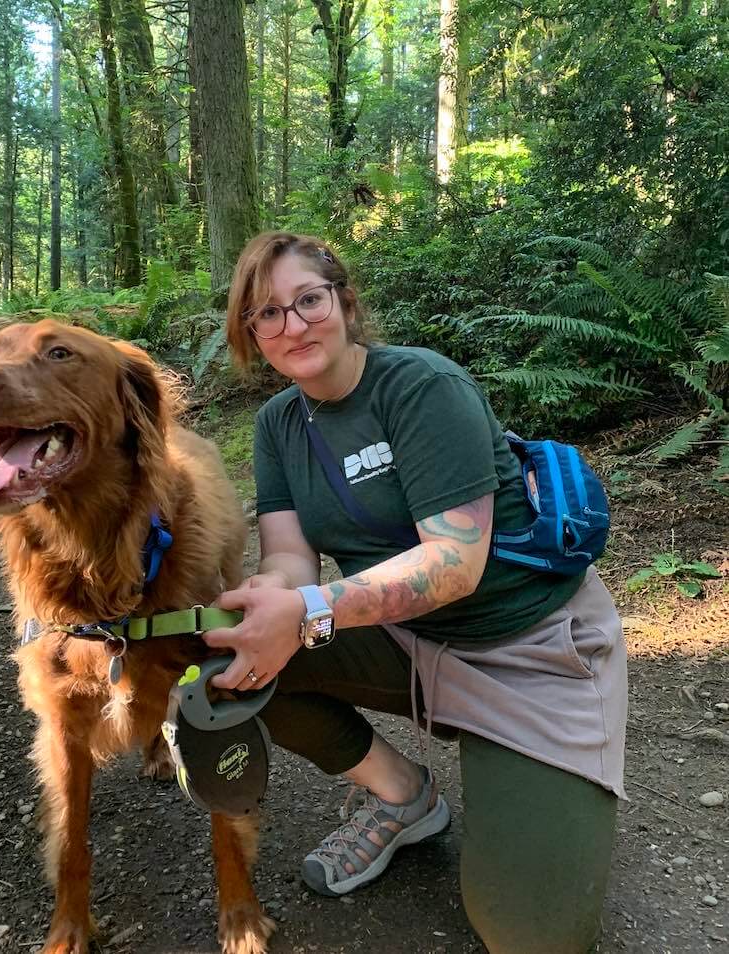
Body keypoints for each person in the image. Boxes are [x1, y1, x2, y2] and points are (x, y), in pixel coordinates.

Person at [203, 231, 627, 954]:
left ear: (344, 299)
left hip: (529, 651)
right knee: (234, 670)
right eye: (266, 314)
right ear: (251, 334)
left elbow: (455, 564)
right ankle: (404, 796)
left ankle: (534, 774)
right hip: (412, 640)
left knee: (532, 937)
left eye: (308, 300)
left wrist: (307, 610)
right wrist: (269, 600)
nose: (292, 325)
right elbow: (289, 558)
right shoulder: (279, 425)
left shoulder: (420, 385)